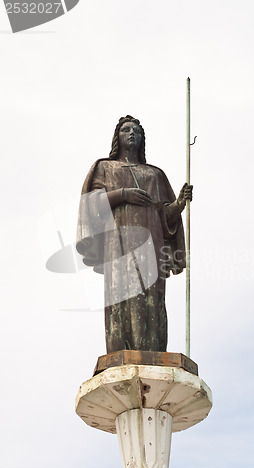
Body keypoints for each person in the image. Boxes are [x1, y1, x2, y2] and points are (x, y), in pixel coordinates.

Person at [77, 115, 193, 353]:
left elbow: (165, 217)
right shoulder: (104, 168)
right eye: (126, 130)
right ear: (117, 137)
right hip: (118, 241)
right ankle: (122, 352)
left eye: (137, 131)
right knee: (122, 296)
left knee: (153, 297)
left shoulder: (155, 174)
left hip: (152, 242)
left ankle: (153, 352)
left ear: (142, 139)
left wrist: (179, 203)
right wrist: (123, 194)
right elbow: (91, 204)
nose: (132, 134)